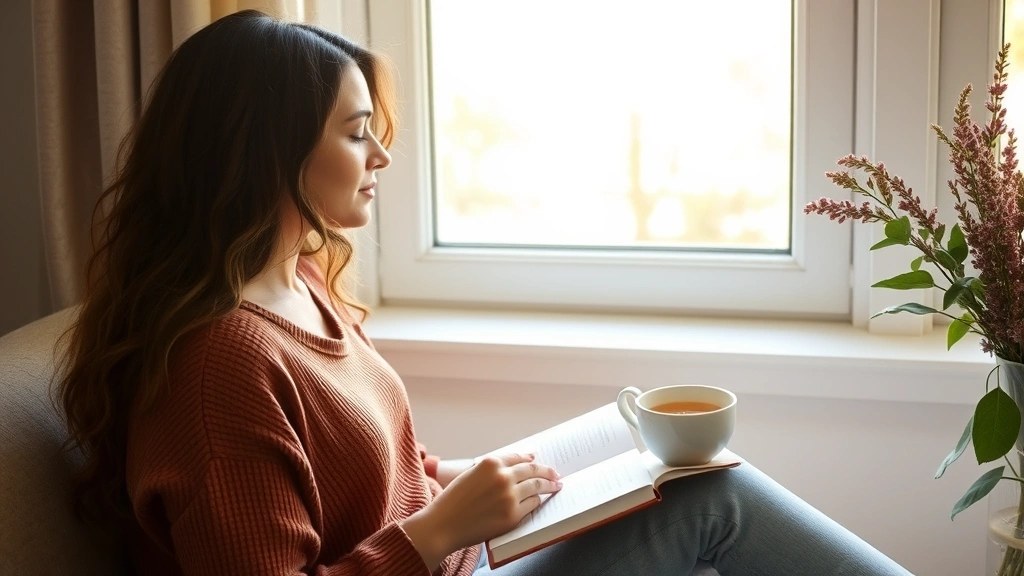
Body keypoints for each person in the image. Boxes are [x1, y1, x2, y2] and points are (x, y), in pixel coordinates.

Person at [56, 10, 912, 576]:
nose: (382, 159)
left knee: (644, 440)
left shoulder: (295, 281)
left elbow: (375, 474)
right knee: (709, 493)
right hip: (444, 561)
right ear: (260, 154)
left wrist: (469, 482)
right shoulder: (219, 367)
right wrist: (437, 532)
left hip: (454, 550)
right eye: (357, 136)